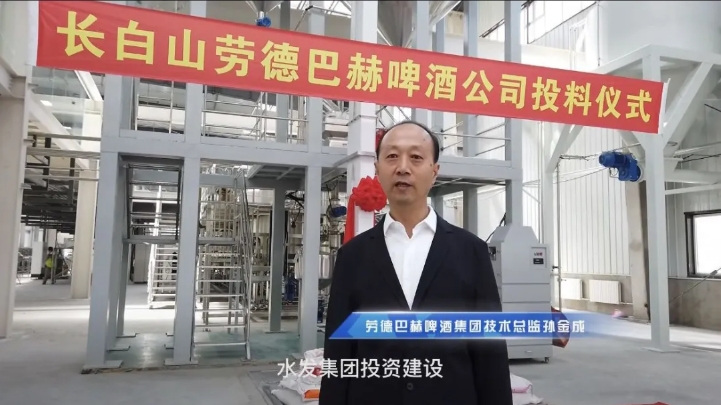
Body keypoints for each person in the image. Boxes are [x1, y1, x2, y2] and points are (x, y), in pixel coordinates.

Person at [319, 121, 513, 405]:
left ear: (434, 171)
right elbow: (338, 354)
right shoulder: (352, 256)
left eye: (416, 157)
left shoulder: (471, 251)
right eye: (392, 156)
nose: (403, 167)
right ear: (377, 168)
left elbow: (490, 354)